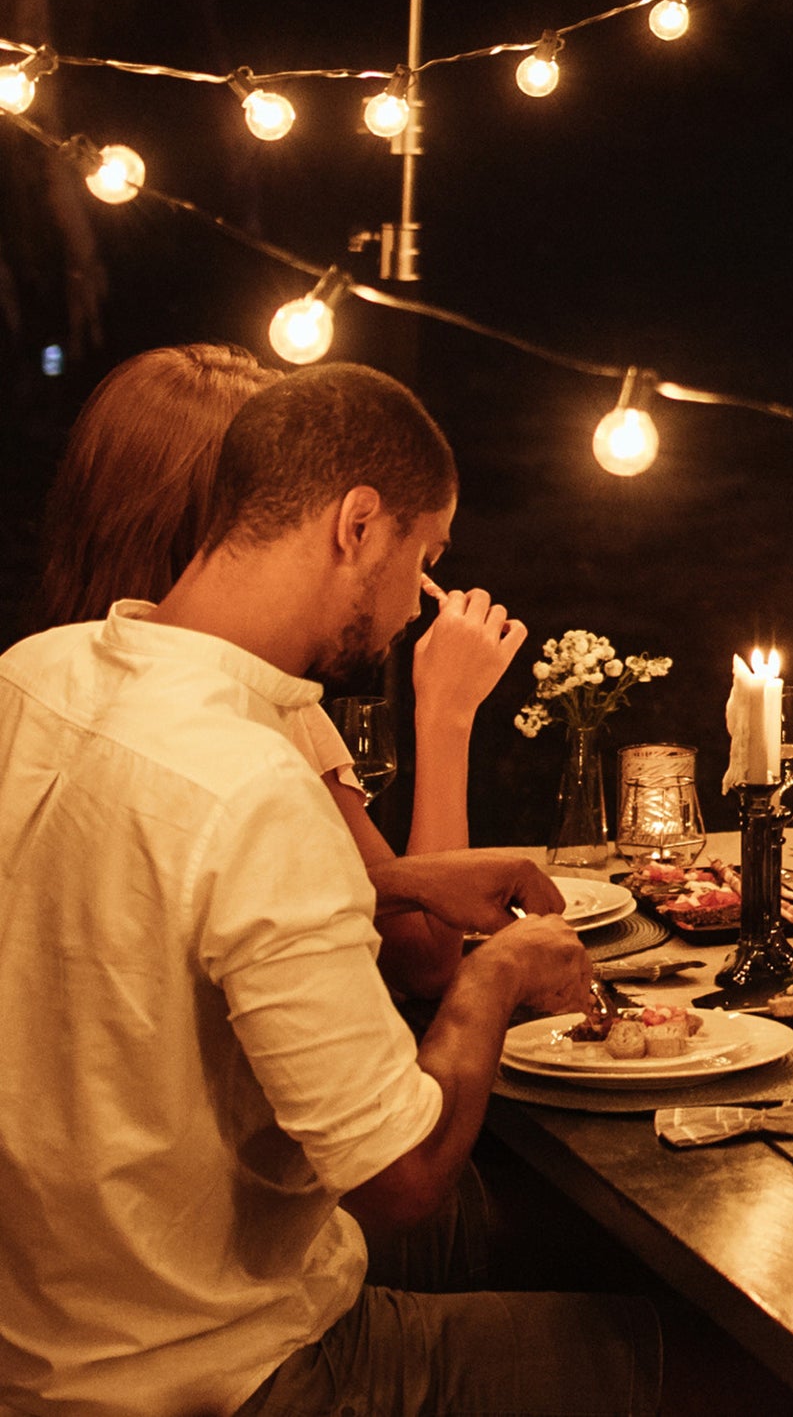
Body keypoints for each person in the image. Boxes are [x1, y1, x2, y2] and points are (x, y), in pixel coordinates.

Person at [0, 362, 661, 1415]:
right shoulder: (251, 779)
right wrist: (495, 977)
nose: (414, 603)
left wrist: (395, 877)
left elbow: (140, 896)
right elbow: (397, 1179)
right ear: (357, 525)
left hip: (47, 1330)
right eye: (424, 557)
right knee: (714, 1362)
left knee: (598, 1247)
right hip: (220, 1370)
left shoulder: (38, 673)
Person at [36, 343, 536, 996]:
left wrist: (400, 880)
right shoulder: (259, 722)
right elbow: (419, 958)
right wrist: (446, 713)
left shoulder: (43, 672)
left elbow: (172, 901)